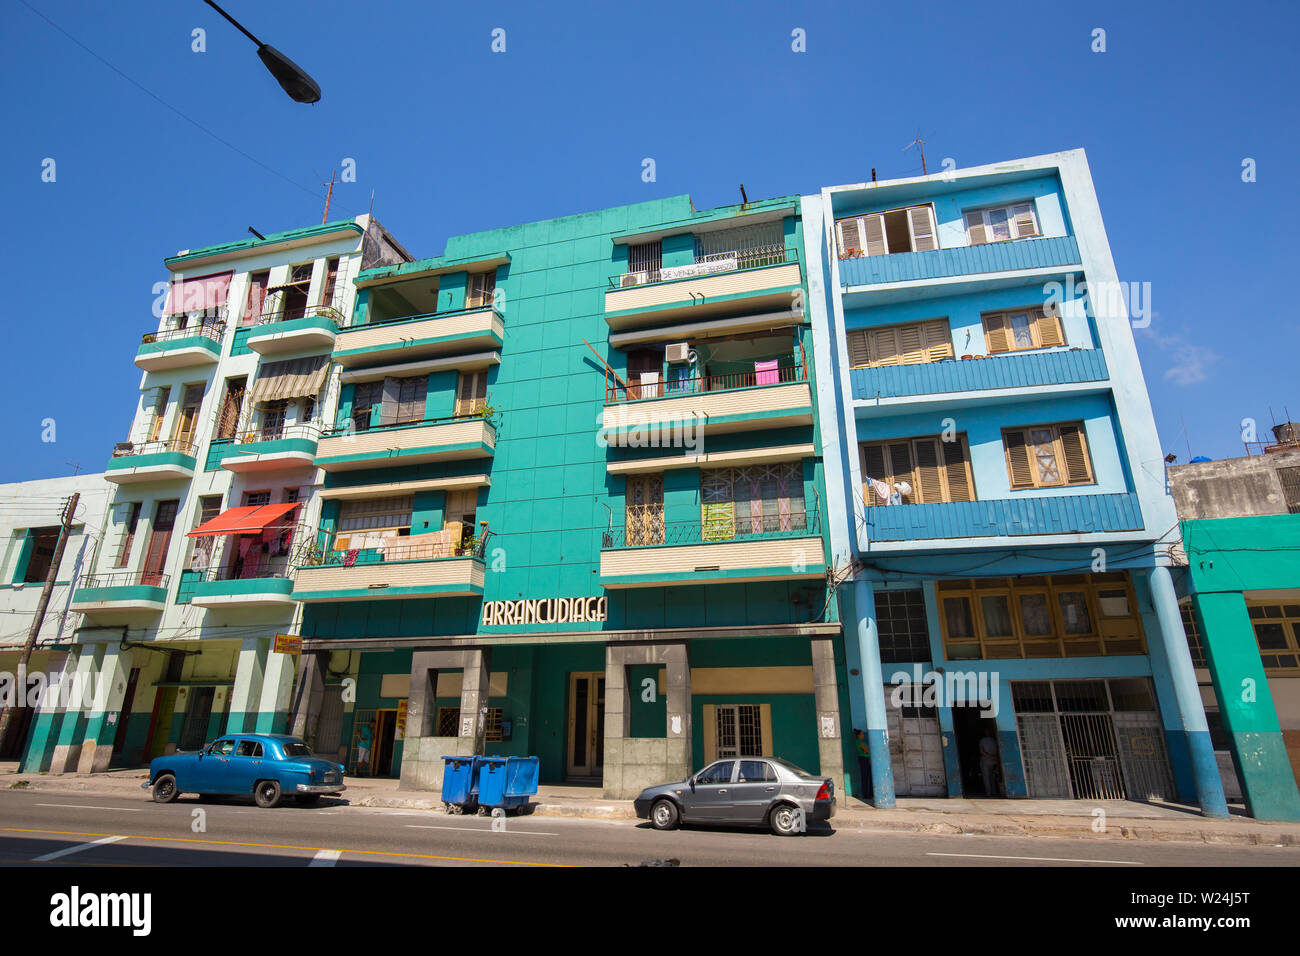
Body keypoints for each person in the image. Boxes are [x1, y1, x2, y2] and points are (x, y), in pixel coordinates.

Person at [978, 729, 1000, 797]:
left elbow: (982, 751)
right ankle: (994, 792)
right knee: (992, 777)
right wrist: (994, 757)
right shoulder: (994, 740)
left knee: (986, 777)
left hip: (986, 760)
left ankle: (988, 793)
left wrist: (989, 756)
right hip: (994, 760)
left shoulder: (982, 741)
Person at [853, 728, 872, 797]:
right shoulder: (860, 742)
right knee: (866, 777)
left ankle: (868, 794)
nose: (863, 735)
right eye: (862, 734)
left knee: (867, 777)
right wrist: (868, 750)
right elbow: (867, 751)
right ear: (859, 735)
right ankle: (866, 794)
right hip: (864, 759)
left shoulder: (861, 742)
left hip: (865, 759)